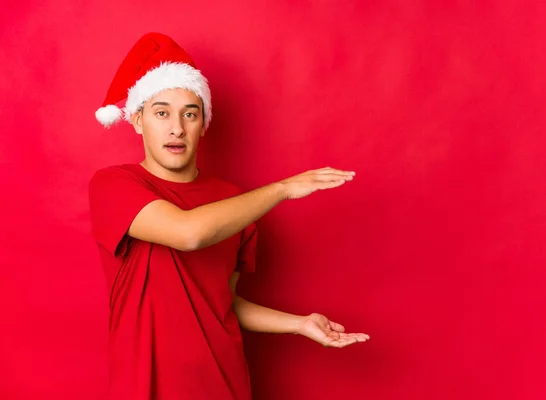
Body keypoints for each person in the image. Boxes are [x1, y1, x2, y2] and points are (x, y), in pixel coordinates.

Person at [88, 32, 369, 400]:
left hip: (224, 383)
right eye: (162, 113)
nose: (177, 127)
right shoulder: (114, 184)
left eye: (190, 114)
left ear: (203, 123)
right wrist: (281, 189)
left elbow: (223, 301)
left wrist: (299, 324)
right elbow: (189, 233)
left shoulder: (235, 201)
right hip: (146, 386)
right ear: (138, 120)